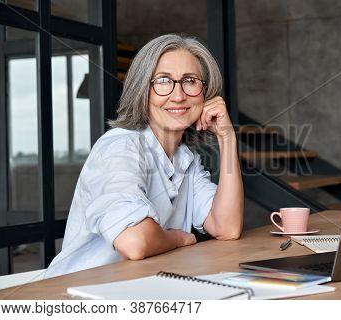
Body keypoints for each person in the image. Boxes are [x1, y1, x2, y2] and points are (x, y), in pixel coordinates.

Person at [45, 34, 243, 278]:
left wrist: (227, 138)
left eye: (190, 81)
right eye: (163, 81)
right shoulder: (120, 147)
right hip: (75, 296)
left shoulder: (185, 159)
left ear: (204, 92)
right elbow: (135, 242)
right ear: (142, 90)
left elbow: (227, 227)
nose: (178, 95)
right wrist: (178, 239)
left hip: (139, 290)